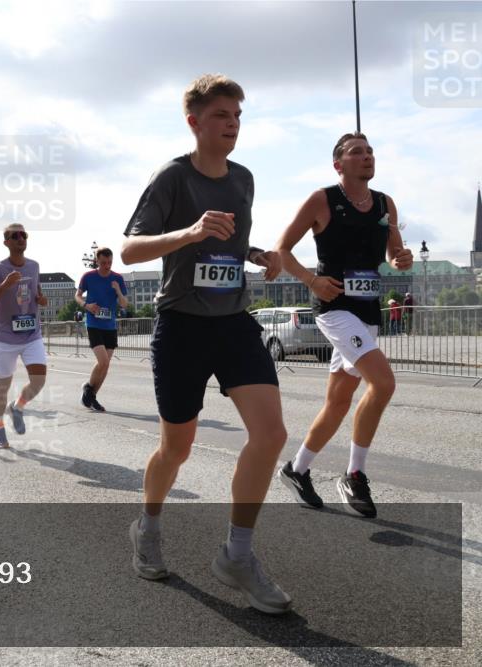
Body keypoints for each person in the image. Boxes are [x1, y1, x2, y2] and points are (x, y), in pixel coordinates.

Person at [120, 74, 291, 614]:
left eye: (238, 116)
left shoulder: (243, 179)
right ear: (194, 121)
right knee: (178, 447)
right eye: (221, 116)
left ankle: (237, 555)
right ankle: (147, 527)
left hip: (234, 321)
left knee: (271, 434)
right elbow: (129, 249)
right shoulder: (172, 178)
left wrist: (260, 254)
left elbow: (230, 244)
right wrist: (190, 233)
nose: (232, 125)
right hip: (182, 326)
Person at [274, 132, 413, 518]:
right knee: (383, 383)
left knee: (337, 403)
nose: (367, 157)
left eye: (370, 151)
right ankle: (355, 473)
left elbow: (394, 252)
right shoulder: (322, 200)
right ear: (339, 164)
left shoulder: (385, 203)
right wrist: (311, 280)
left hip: (367, 311)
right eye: (357, 152)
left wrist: (402, 258)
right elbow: (282, 249)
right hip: (333, 308)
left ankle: (296, 469)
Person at [0, 223, 49, 449]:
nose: (21, 238)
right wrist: (4, 284)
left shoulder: (34, 266)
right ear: (6, 242)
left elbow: (36, 293)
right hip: (5, 336)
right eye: (15, 235)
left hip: (32, 333)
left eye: (24, 235)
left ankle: (18, 407)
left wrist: (41, 300)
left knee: (39, 381)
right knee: (3, 386)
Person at [75, 247, 129, 412]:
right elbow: (77, 296)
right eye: (104, 262)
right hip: (93, 323)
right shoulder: (89, 277)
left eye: (110, 262)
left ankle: (91, 395)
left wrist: (118, 290)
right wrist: (86, 305)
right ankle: (89, 391)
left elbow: (124, 304)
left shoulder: (117, 278)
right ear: (96, 261)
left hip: (110, 326)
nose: (107, 266)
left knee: (105, 365)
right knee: (103, 361)